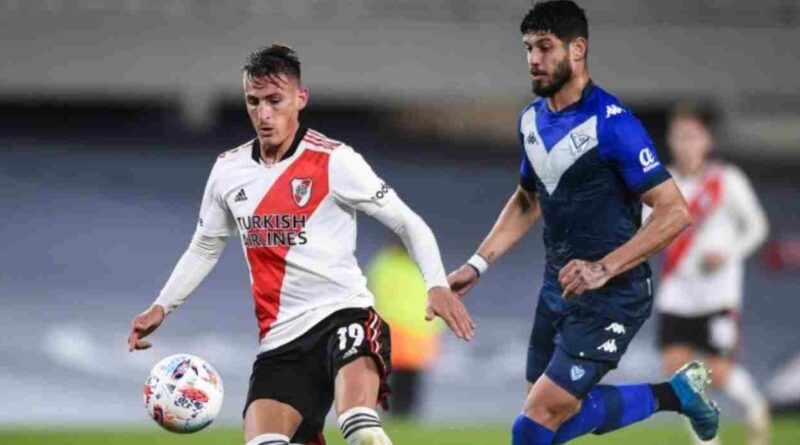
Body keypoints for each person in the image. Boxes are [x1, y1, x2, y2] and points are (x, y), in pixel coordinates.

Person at [126, 44, 474, 445]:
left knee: (360, 427)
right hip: (281, 342)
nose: (264, 114)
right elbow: (205, 247)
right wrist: (161, 305)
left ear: (300, 98)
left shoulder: (334, 161)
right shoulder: (228, 171)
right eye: (253, 102)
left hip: (345, 318)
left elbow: (407, 222)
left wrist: (436, 284)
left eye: (275, 100)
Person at [446, 2, 719, 444]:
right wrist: (477, 263)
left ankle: (675, 394)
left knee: (532, 424)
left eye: (545, 47)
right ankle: (677, 393)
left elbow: (675, 210)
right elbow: (526, 201)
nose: (534, 59)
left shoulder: (614, 124)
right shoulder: (531, 120)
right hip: (558, 288)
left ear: (577, 49)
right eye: (528, 48)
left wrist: (604, 267)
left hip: (614, 295)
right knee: (549, 418)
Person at [656, 105, 770, 445]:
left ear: (707, 140)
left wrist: (728, 255)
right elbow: (644, 224)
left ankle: (754, 405)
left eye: (692, 136)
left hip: (718, 293)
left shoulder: (726, 179)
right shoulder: (662, 181)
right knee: (678, 374)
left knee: (717, 373)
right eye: (679, 136)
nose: (685, 144)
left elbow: (757, 227)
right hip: (677, 290)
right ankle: (707, 442)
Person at [367, 242, 445, 418]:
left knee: (413, 377)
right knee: (394, 375)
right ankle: (396, 413)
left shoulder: (422, 265)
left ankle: (407, 415)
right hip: (397, 327)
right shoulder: (386, 263)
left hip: (420, 329)